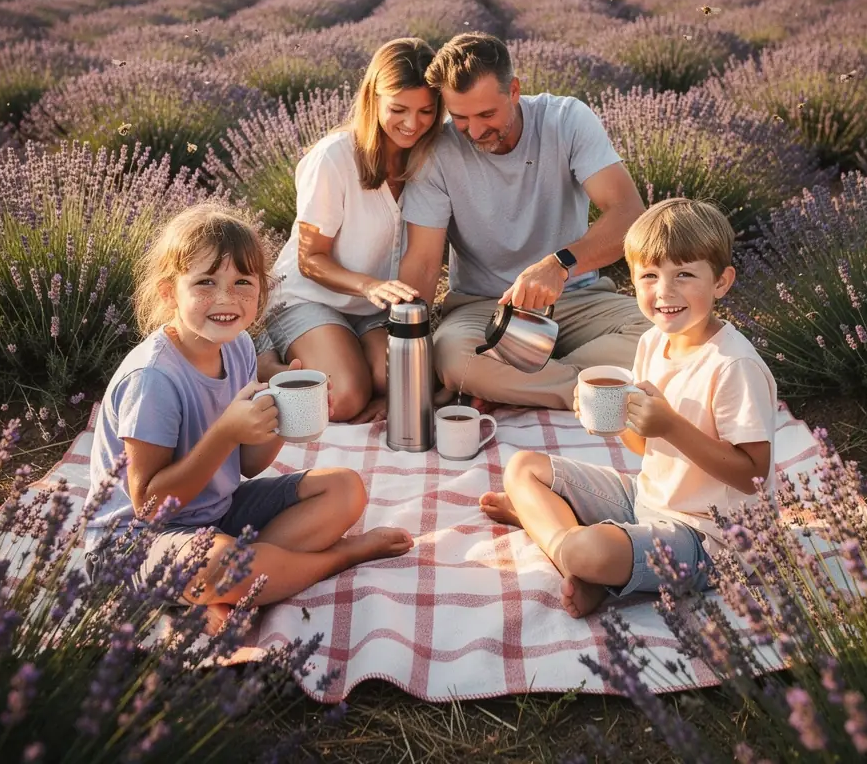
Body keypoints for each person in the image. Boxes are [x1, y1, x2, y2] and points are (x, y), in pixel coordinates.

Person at [84, 204, 413, 630]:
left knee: (345, 489)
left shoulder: (238, 347)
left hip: (216, 514)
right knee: (220, 564)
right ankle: (337, 557)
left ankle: (233, 586)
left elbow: (250, 464)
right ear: (169, 294)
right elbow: (148, 505)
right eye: (205, 282)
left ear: (262, 291)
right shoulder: (154, 379)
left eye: (243, 282)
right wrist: (224, 433)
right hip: (136, 546)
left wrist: (281, 411)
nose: (226, 299)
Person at [480, 198, 777, 618]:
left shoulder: (733, 366)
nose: (665, 292)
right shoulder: (652, 342)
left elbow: (753, 477)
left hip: (712, 539)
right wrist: (612, 418)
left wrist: (671, 426)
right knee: (522, 468)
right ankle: (585, 559)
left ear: (722, 282)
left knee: (588, 548)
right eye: (650, 276)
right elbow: (644, 447)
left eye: (685, 275)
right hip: (648, 499)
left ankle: (565, 543)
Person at [397, 32, 650, 410]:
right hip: (485, 311)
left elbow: (629, 215)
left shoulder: (566, 120)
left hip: (576, 300)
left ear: (514, 90)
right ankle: (590, 391)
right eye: (461, 118)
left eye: (487, 114)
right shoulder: (435, 152)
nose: (476, 132)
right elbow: (424, 261)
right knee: (451, 356)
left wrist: (559, 265)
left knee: (661, 333)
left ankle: (513, 383)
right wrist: (404, 350)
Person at [256, 37, 442, 423]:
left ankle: (347, 359)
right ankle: (262, 359)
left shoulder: (431, 159)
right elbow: (309, 259)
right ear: (373, 99)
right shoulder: (335, 157)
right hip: (310, 296)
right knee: (343, 398)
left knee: (401, 381)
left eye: (426, 110)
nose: (413, 124)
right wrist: (370, 286)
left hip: (372, 309)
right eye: (398, 109)